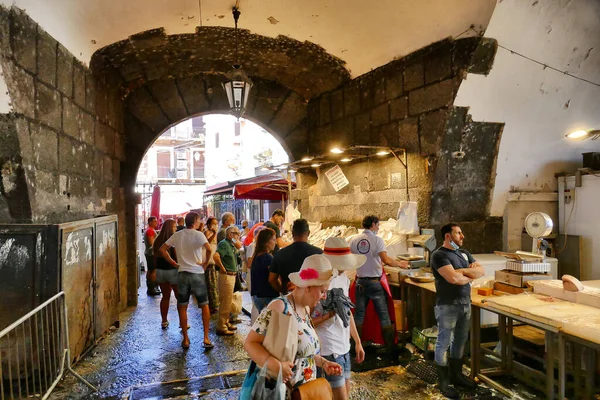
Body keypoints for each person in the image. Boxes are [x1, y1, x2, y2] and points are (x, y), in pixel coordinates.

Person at [244, 254, 343, 394]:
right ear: (308, 287)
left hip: (303, 392)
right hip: (280, 392)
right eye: (322, 291)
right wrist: (277, 366)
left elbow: (300, 353)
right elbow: (250, 343)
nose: (324, 297)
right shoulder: (280, 307)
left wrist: (324, 363)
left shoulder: (306, 309)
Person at [431, 223, 484, 398]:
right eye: (458, 233)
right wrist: (467, 275)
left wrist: (462, 272)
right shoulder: (439, 255)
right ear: (448, 236)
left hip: (465, 304)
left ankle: (457, 375)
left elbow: (481, 271)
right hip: (448, 305)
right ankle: (443, 382)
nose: (462, 236)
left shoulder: (464, 253)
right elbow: (454, 279)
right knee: (443, 342)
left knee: (460, 341)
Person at [313, 237, 366, 399]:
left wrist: (357, 342)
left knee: (346, 395)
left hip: (344, 348)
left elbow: (347, 313)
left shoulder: (343, 280)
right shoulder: (320, 283)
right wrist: (330, 314)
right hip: (329, 349)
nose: (346, 267)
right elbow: (307, 322)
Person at [349, 215, 409, 353]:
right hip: (375, 284)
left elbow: (352, 260)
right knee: (383, 315)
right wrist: (400, 264)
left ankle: (355, 347)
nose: (379, 227)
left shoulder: (354, 240)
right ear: (374, 225)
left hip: (360, 282)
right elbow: (386, 260)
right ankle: (390, 348)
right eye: (378, 224)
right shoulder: (377, 240)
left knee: (359, 315)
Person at [159, 212, 214, 349]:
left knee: (182, 306)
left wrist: (174, 263)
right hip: (197, 273)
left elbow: (162, 249)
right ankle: (206, 338)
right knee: (204, 305)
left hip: (182, 274)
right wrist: (205, 263)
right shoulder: (199, 235)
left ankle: (186, 339)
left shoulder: (178, 235)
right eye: (199, 220)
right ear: (195, 221)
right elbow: (209, 249)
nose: (200, 221)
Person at [269, 219, 322, 294]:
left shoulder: (280, 254)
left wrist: (282, 290)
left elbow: (272, 279)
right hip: (311, 297)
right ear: (308, 233)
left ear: (292, 233)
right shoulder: (318, 253)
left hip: (289, 297)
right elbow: (324, 278)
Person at [213, 225, 242, 335]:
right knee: (225, 302)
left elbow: (239, 246)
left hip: (231, 275)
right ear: (231, 235)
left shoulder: (231, 244)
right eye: (237, 234)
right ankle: (222, 326)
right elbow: (216, 256)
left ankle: (226, 322)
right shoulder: (224, 244)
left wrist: (235, 241)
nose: (239, 236)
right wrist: (223, 268)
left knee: (228, 301)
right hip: (226, 276)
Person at [153, 218, 179, 329]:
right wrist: (177, 264)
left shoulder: (157, 240)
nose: (176, 228)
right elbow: (176, 255)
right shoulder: (172, 240)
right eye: (174, 227)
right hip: (172, 270)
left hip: (160, 271)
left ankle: (164, 320)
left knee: (165, 297)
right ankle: (182, 321)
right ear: (170, 228)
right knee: (180, 297)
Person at [250, 228, 278, 313]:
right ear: (266, 243)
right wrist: (280, 289)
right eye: (273, 240)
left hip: (258, 296)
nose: (275, 242)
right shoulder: (267, 257)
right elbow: (272, 279)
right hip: (266, 296)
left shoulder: (257, 255)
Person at [203, 217, 220, 314]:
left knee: (214, 282)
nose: (215, 225)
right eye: (214, 223)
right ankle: (212, 304)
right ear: (209, 224)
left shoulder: (215, 232)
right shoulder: (207, 232)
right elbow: (207, 243)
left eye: (216, 223)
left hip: (214, 259)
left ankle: (215, 303)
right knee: (210, 283)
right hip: (209, 260)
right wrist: (214, 233)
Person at [144, 216, 161, 296]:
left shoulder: (151, 230)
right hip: (151, 253)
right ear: (150, 222)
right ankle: (152, 288)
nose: (156, 222)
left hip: (150, 253)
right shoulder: (150, 231)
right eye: (154, 221)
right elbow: (151, 243)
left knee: (151, 270)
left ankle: (151, 287)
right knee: (153, 270)